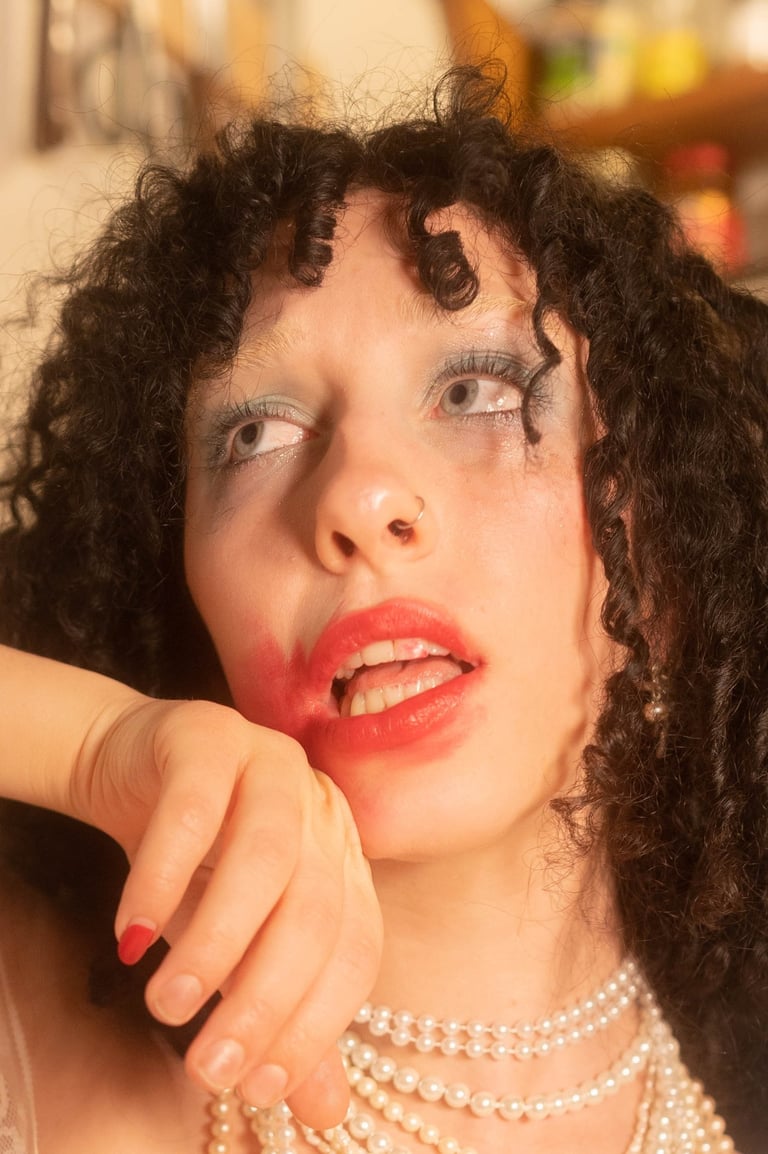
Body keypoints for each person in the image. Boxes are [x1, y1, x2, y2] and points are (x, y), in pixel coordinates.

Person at [1, 64, 766, 1154]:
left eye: (476, 392)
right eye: (254, 433)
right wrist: (91, 745)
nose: (358, 498)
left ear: (672, 534)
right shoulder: (30, 1032)